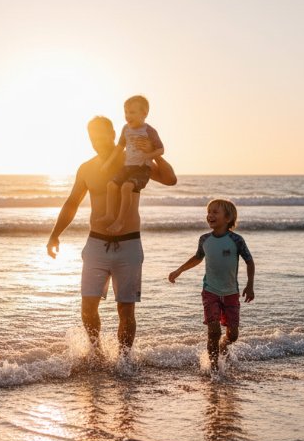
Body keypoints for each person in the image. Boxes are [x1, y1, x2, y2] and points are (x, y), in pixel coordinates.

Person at [47, 116, 176, 361]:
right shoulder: (87, 168)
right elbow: (72, 203)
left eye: (101, 134)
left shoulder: (134, 161)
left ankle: (124, 360)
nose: (97, 140)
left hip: (129, 244)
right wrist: (55, 235)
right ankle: (97, 354)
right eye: (92, 136)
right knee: (88, 307)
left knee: (126, 309)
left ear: (113, 133)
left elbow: (170, 179)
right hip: (96, 243)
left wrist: (154, 153)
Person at [167, 198, 255, 371]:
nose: (210, 215)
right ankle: (214, 367)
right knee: (213, 331)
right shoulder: (204, 239)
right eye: (209, 212)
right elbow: (197, 258)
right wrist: (179, 270)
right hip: (210, 291)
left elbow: (250, 262)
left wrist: (250, 285)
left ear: (228, 218)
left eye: (215, 212)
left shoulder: (236, 240)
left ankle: (224, 346)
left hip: (231, 293)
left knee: (233, 335)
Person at [96, 95, 165, 235]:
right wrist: (108, 163)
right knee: (111, 185)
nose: (128, 115)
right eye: (126, 112)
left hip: (142, 169)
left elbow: (161, 149)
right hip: (127, 167)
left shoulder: (149, 131)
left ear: (144, 114)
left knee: (127, 187)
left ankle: (120, 220)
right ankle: (110, 215)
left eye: (132, 112)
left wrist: (148, 155)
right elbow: (119, 147)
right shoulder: (126, 129)